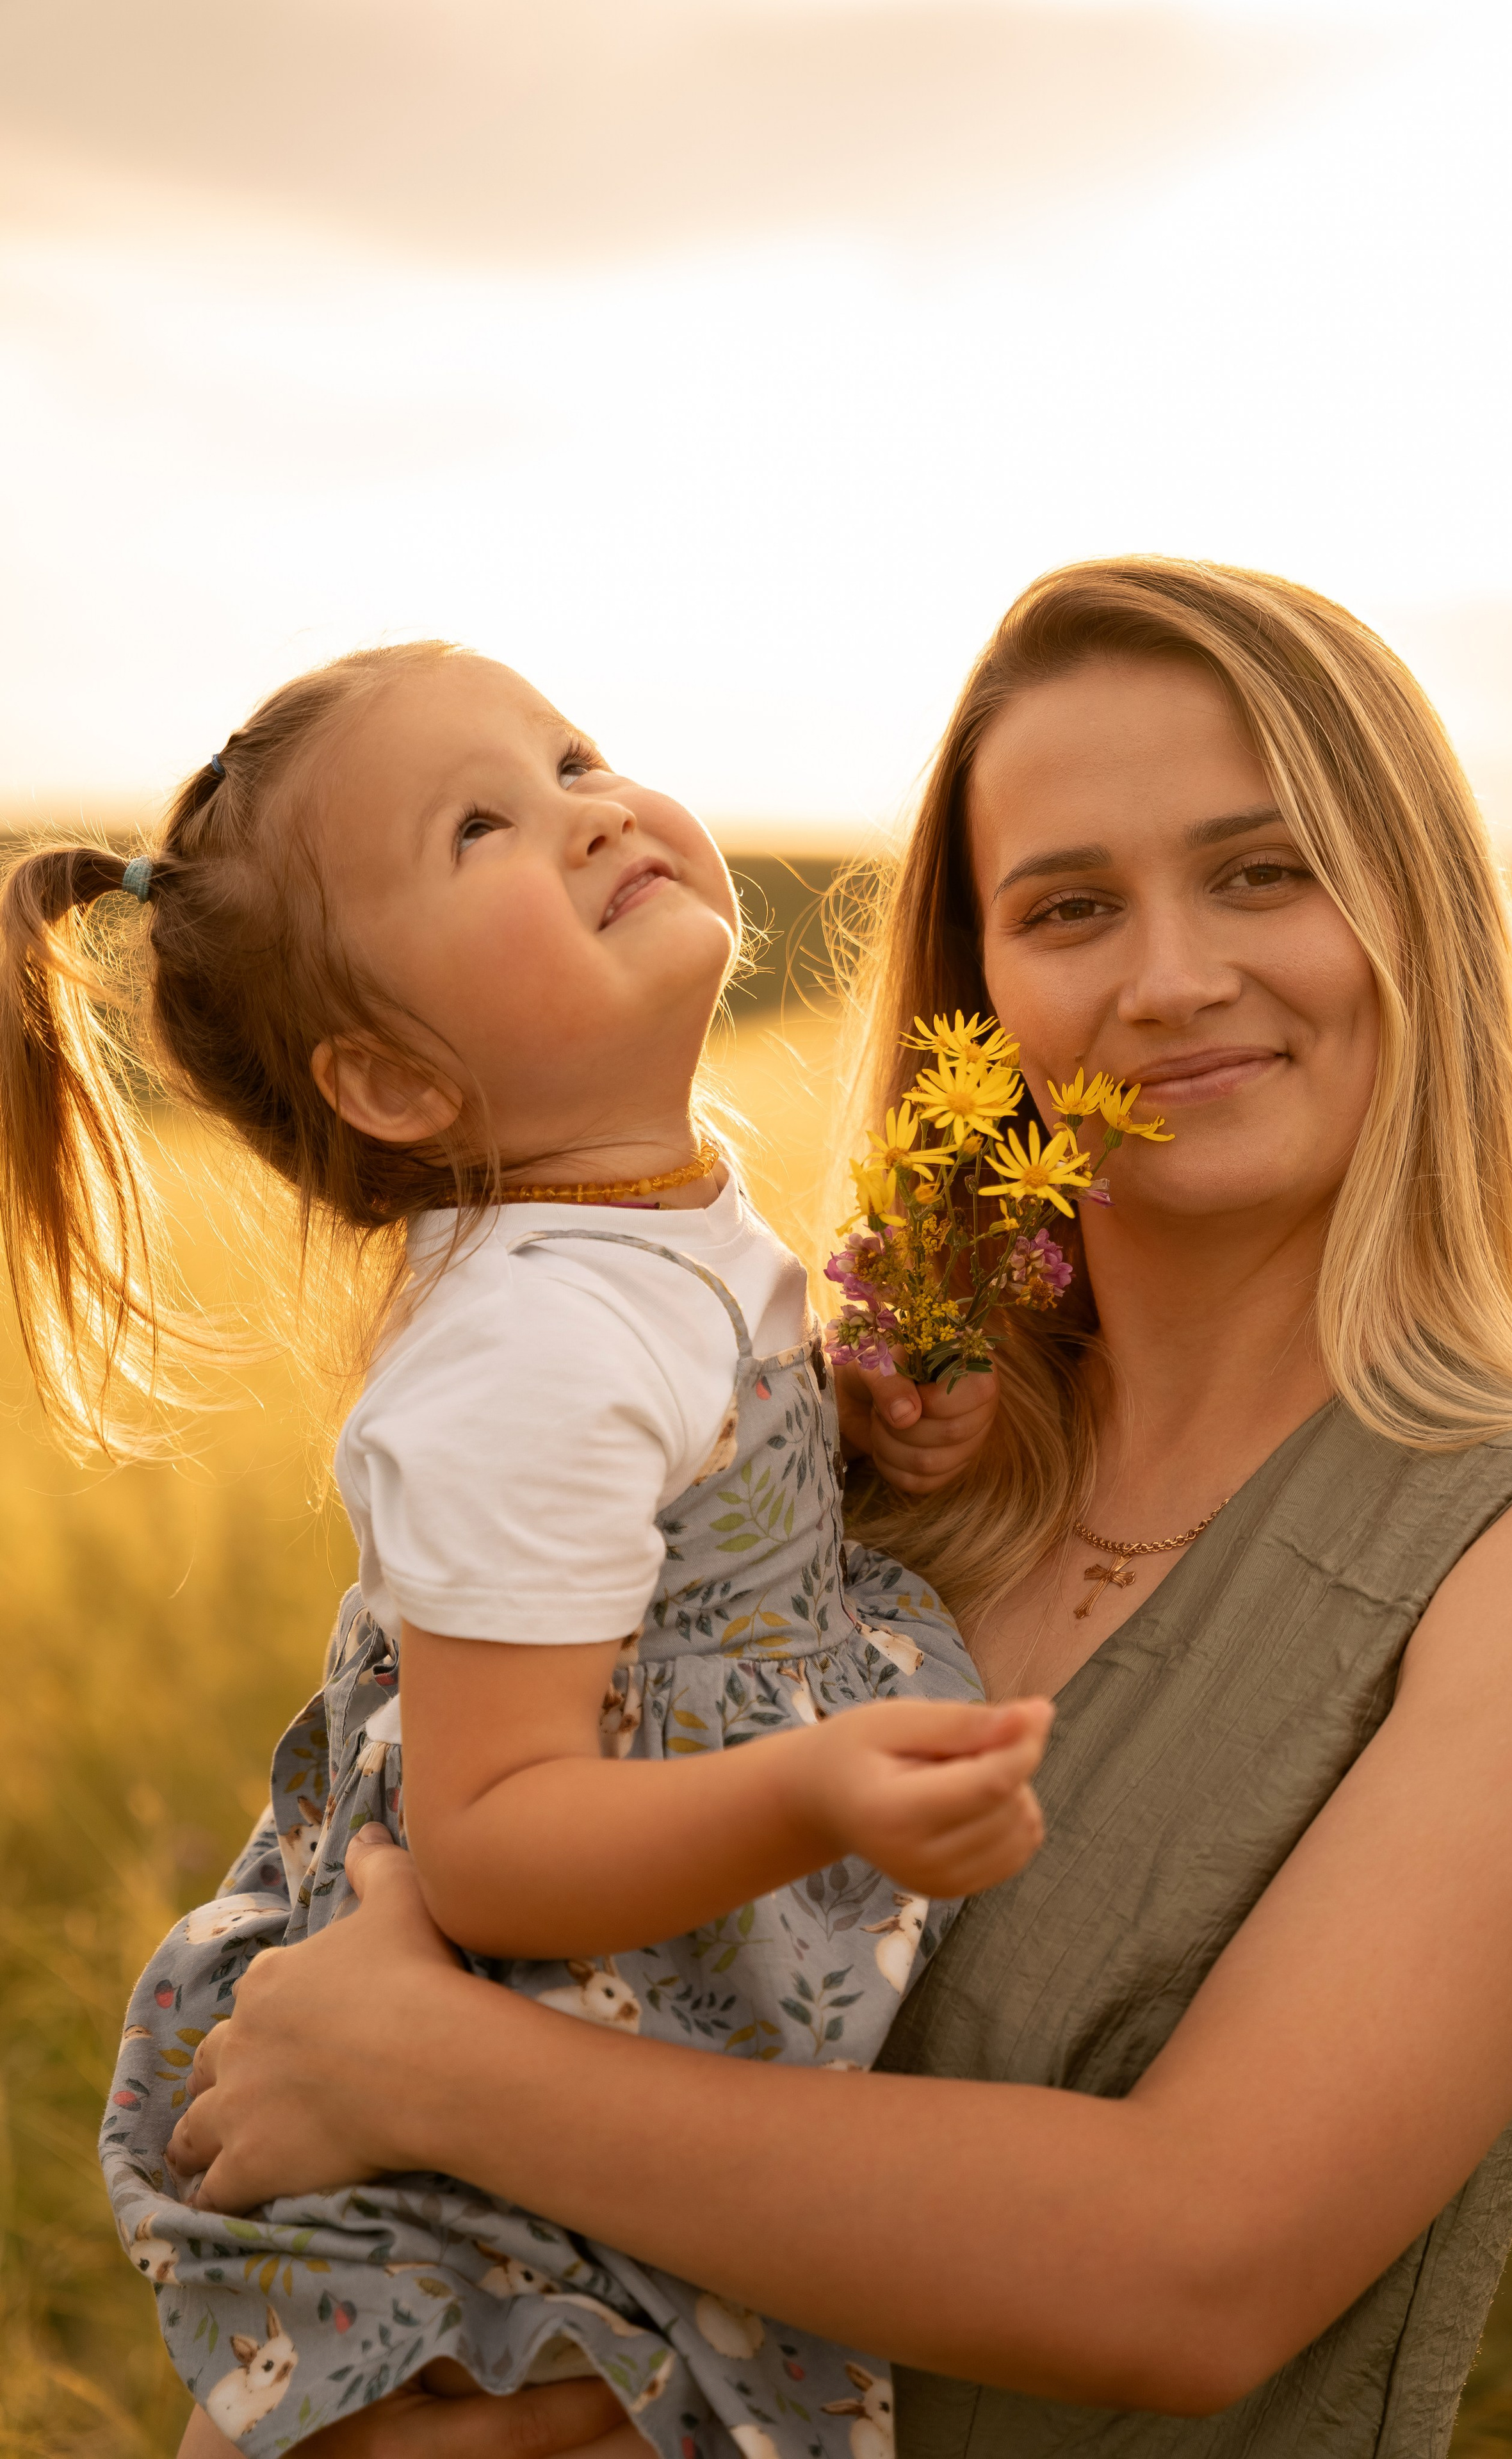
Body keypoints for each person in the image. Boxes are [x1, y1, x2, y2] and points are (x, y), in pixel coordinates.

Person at [167, 559, 1512, 2459]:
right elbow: (431, 1880)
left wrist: (432, 2076)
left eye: (1264, 871)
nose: (1173, 975)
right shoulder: (816, 1457)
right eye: (1072, 906)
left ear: (1421, 912)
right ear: (985, 988)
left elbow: (1192, 2273)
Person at [0, 644, 1059, 2457]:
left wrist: (860, 1433)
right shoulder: (531, 1357)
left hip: (630, 1966)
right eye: (481, 824)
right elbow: (490, 1851)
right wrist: (812, 1791)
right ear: (398, 1088)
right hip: (551, 2003)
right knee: (566, 2394)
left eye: (573, 755)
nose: (586, 811)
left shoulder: (636, 1203)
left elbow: (688, 1494)